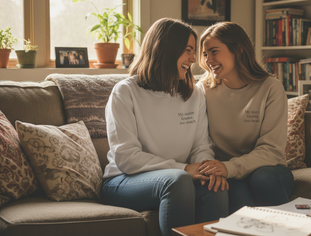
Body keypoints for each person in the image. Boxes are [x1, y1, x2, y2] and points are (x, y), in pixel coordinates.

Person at [102, 18, 228, 236]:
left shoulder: (194, 93)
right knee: (177, 181)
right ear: (166, 49)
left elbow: (201, 145)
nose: (193, 59)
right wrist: (183, 168)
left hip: (176, 178)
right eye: (188, 50)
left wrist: (206, 168)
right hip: (122, 180)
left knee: (214, 184)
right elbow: (126, 157)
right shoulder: (125, 92)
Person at [196, 22, 294, 214]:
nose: (209, 60)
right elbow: (200, 141)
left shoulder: (270, 88)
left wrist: (230, 167)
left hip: (268, 169)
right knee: (234, 190)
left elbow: (271, 150)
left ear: (239, 50)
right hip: (226, 172)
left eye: (215, 52)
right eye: (205, 54)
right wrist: (221, 169)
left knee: (262, 179)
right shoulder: (203, 90)